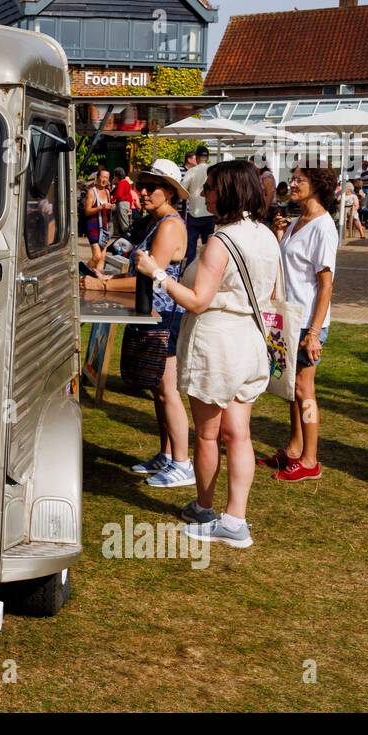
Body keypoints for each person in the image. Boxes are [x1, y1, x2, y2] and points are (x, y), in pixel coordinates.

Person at [134, 160, 281, 547]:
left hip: (218, 343)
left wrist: (158, 274)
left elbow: (198, 301)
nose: (204, 194)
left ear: (228, 191)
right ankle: (236, 518)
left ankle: (204, 508)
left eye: (211, 187)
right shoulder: (266, 235)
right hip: (250, 339)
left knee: (209, 435)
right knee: (240, 435)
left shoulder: (222, 240)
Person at [83, 159, 192, 487]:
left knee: (167, 391)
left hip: (164, 315)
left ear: (169, 192)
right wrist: (108, 277)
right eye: (141, 186)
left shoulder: (170, 225)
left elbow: (150, 278)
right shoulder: (155, 222)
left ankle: (182, 463)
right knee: (159, 390)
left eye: (150, 187)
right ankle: (167, 453)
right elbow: (136, 275)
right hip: (151, 313)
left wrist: (102, 285)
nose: (142, 192)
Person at [265, 166, 338, 482]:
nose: (291, 184)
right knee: (291, 388)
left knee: (304, 390)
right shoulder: (296, 222)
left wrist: (313, 333)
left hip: (309, 323)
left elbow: (326, 285)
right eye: (292, 179)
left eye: (299, 180)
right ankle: (294, 450)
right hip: (288, 319)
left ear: (317, 186)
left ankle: (310, 460)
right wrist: (279, 234)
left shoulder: (324, 226)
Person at [181, 145, 213, 266]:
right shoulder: (213, 171)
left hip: (194, 213)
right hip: (210, 214)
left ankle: (190, 270)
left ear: (197, 157)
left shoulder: (192, 171)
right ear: (208, 157)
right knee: (208, 247)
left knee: (191, 248)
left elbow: (183, 191)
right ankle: (206, 269)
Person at [84, 166, 113, 270]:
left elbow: (107, 211)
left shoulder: (107, 192)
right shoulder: (91, 192)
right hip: (93, 227)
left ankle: (98, 279)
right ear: (97, 177)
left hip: (104, 227)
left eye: (107, 178)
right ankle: (83, 271)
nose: (104, 180)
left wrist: (111, 208)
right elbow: (87, 211)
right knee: (97, 257)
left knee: (103, 257)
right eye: (102, 177)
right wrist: (101, 207)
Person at [112, 166, 136, 240]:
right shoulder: (125, 182)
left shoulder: (122, 183)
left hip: (122, 203)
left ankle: (128, 238)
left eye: (114, 175)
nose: (114, 177)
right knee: (121, 221)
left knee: (124, 222)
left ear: (117, 175)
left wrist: (113, 198)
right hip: (125, 203)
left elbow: (119, 194)